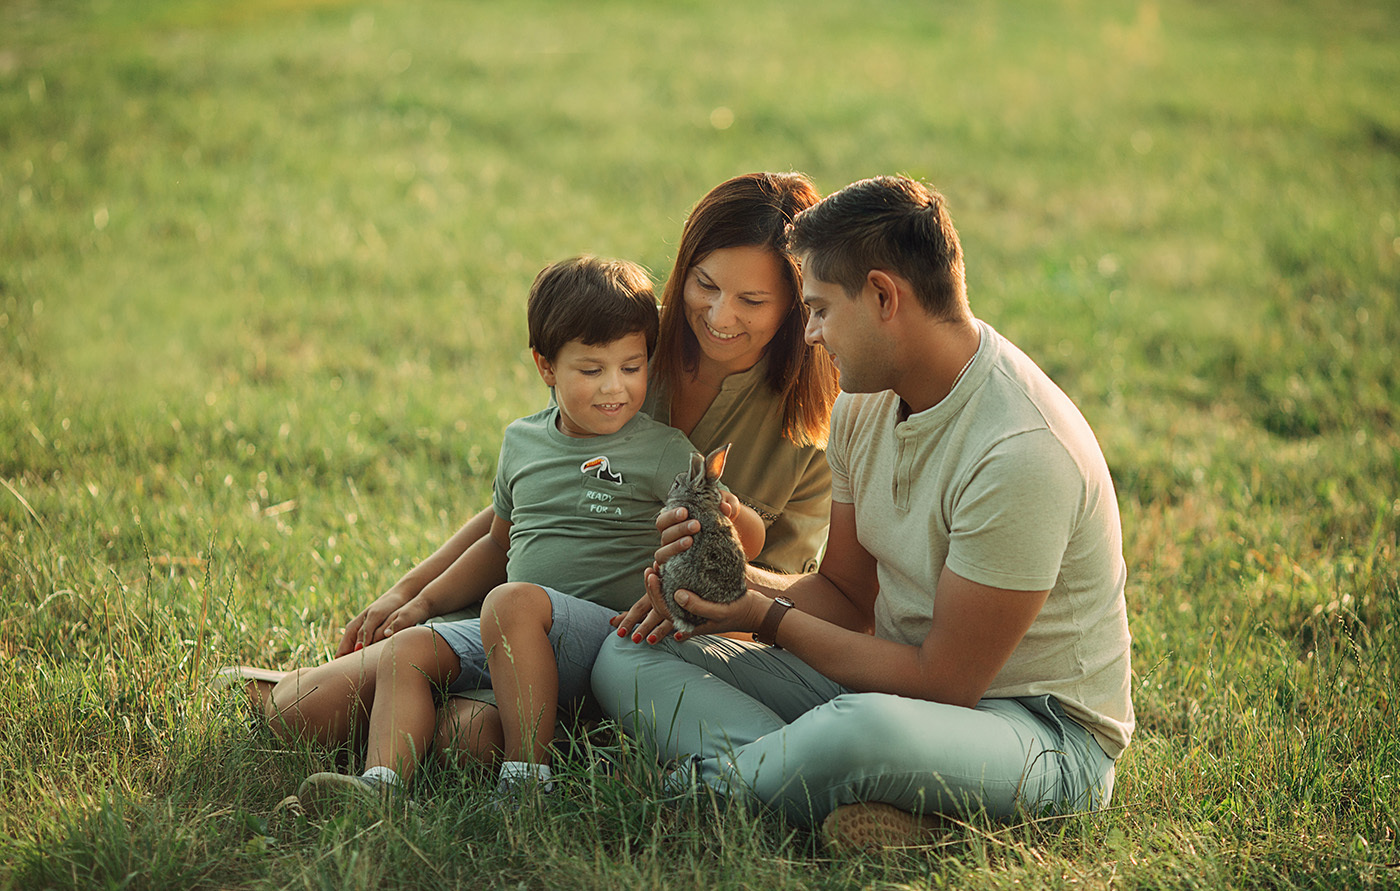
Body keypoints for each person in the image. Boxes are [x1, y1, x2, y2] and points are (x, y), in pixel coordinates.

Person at [592, 175, 1135, 851]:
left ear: (883, 295)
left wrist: (766, 617)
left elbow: (946, 682)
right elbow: (846, 596)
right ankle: (856, 790)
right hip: (882, 680)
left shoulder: (1019, 450)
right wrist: (724, 581)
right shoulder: (864, 401)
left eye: (819, 308)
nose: (812, 333)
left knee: (861, 731)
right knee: (626, 654)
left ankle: (713, 793)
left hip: (1035, 732)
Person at [225, 172, 840, 768]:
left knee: (466, 741)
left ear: (795, 305)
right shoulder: (625, 345)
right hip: (519, 608)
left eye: (753, 301)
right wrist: (408, 593)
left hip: (647, 647)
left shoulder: (812, 422)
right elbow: (523, 509)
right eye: (704, 285)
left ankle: (471, 723)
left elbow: (789, 589)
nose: (720, 315)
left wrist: (705, 577)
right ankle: (363, 700)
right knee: (298, 711)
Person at [292, 256, 765, 810]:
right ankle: (380, 788)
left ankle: (526, 785)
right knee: (407, 651)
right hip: (509, 632)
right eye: (592, 371)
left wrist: (730, 514)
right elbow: (498, 542)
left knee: (512, 604)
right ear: (546, 367)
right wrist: (420, 601)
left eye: (632, 368)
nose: (615, 388)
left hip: (607, 640)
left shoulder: (660, 449)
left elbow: (743, 545)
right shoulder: (523, 441)